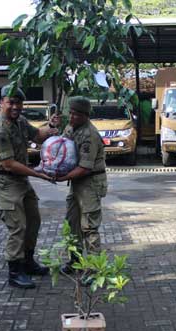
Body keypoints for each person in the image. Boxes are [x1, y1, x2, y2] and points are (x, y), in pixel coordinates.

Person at [0, 85, 55, 289]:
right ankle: (15, 272)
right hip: (5, 181)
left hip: (21, 180)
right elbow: (8, 164)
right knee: (17, 226)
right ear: (2, 103)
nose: (16, 107)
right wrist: (38, 174)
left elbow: (38, 136)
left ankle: (28, 261)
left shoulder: (20, 122)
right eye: (11, 102)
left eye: (19, 103)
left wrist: (51, 127)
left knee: (33, 220)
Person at [56, 97, 108, 270]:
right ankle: (75, 261)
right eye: (70, 113)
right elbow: (62, 146)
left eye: (76, 115)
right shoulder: (71, 127)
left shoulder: (89, 135)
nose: (71, 117)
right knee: (72, 223)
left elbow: (85, 168)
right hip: (77, 183)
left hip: (90, 183)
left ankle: (94, 269)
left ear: (85, 116)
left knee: (89, 228)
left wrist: (61, 178)